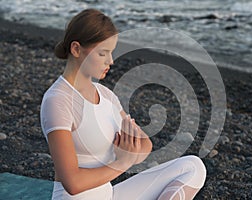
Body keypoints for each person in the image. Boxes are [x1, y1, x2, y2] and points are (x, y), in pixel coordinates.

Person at [40, 8, 206, 200]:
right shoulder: (58, 100)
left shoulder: (106, 96)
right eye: (103, 53)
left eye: (111, 53)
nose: (110, 61)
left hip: (108, 195)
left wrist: (131, 152)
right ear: (76, 49)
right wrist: (123, 162)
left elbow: (145, 144)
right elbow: (73, 184)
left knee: (193, 167)